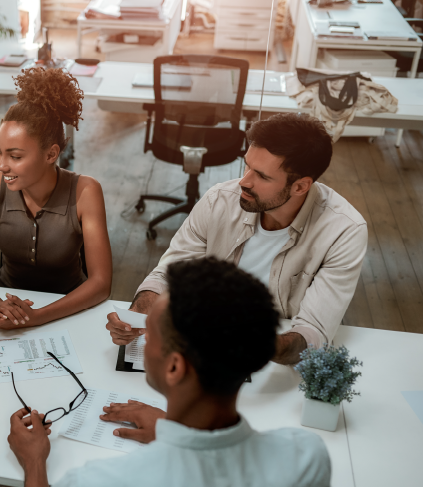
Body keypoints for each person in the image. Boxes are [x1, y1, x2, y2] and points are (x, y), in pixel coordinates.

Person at [8, 258, 332, 487]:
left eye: (148, 332)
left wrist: (34, 462)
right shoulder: (306, 457)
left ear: (174, 368)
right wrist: (172, 428)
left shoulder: (95, 485)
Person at [107, 113, 368, 364]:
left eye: (262, 176)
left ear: (300, 186)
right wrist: (139, 313)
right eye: (247, 165)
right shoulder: (218, 200)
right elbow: (166, 275)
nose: (244, 181)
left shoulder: (344, 231)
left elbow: (313, 333)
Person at [0, 68, 112, 330]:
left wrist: (35, 318)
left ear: (51, 154)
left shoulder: (85, 191)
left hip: (68, 310)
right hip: (5, 302)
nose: (2, 165)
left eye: (15, 157)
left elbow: (101, 283)